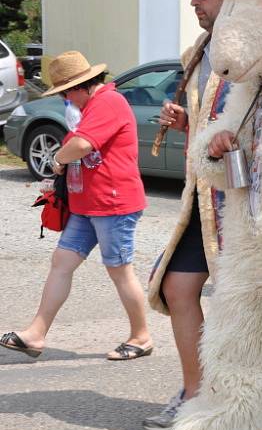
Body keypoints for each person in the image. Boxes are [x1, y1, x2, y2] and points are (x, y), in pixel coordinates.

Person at [144, 0, 262, 430]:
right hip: (204, 195)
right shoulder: (197, 55)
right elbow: (215, 124)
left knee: (254, 301)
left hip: (247, 199)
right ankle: (196, 394)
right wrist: (190, 124)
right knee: (177, 288)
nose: (196, 3)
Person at [0, 51, 151, 361]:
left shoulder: (108, 102)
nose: (66, 98)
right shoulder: (90, 106)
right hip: (87, 204)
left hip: (113, 203)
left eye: (66, 92)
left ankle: (142, 337)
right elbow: (77, 146)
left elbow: (81, 145)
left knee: (120, 271)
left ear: (81, 86)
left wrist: (56, 160)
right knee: (62, 263)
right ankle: (36, 335)